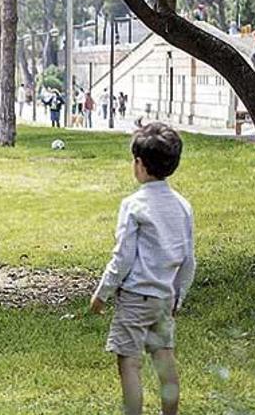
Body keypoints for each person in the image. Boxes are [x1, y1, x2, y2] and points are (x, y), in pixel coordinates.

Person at [89, 122, 195, 415]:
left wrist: (102, 294)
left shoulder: (133, 205)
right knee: (164, 358)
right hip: (163, 299)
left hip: (135, 299)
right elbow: (188, 259)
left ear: (140, 164)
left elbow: (122, 258)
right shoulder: (183, 206)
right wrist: (178, 297)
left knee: (130, 364)